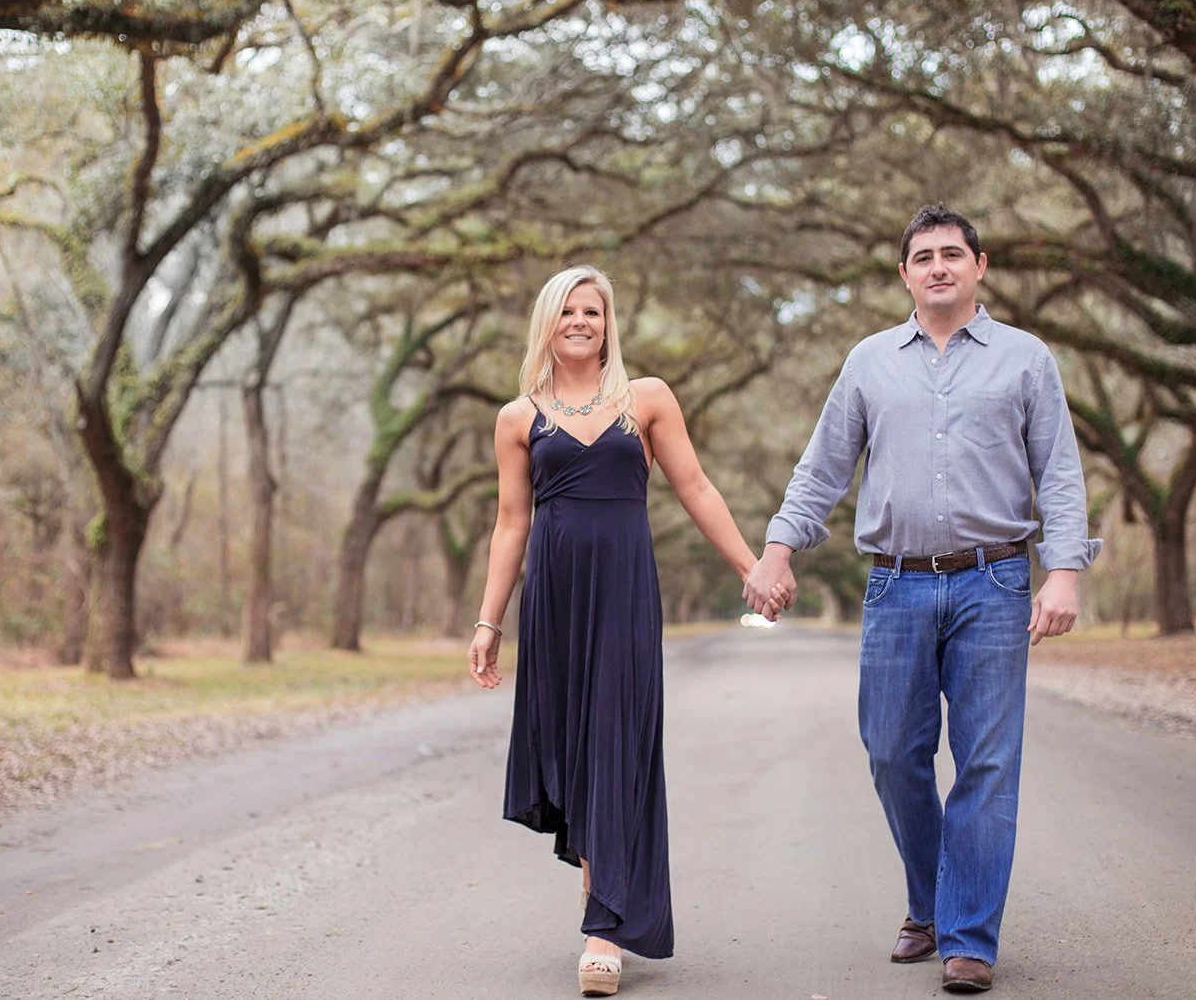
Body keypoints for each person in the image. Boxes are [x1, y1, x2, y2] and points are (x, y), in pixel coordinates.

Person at [743, 205, 1101, 993]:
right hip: (896, 582)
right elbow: (823, 469)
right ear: (904, 274)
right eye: (923, 256)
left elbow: (1061, 471)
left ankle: (968, 935)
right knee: (891, 753)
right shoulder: (870, 362)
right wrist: (776, 551)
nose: (938, 266)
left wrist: (1065, 570)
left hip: (995, 578)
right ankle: (930, 900)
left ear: (981, 265)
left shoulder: (1026, 359)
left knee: (986, 761)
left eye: (952, 254)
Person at [468, 265, 780, 997]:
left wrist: (751, 566)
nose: (581, 321)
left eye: (594, 311)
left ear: (609, 324)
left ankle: (604, 928)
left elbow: (695, 486)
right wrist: (489, 621)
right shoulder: (519, 417)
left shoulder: (646, 400)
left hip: (623, 593)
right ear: (548, 320)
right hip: (554, 597)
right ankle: (599, 884)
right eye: (569, 310)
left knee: (617, 737)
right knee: (576, 744)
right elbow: (511, 522)